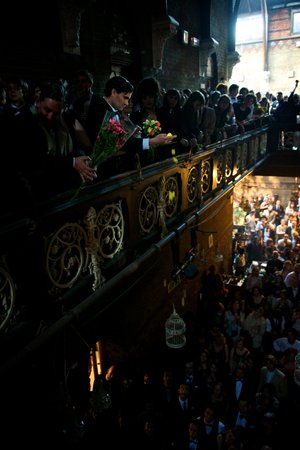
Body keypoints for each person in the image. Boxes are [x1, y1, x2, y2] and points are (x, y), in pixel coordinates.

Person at [1, 81, 97, 206]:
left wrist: (83, 160)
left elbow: (77, 146)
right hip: (39, 193)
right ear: (38, 102)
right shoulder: (24, 122)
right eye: (47, 110)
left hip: (65, 190)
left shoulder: (66, 120)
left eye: (56, 113)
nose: (50, 117)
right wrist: (73, 162)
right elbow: (34, 160)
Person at [90, 75, 176, 172]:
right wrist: (152, 141)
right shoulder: (101, 110)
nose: (127, 103)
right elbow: (122, 143)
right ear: (113, 92)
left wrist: (132, 135)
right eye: (125, 98)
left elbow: (121, 140)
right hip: (99, 169)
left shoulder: (113, 112)